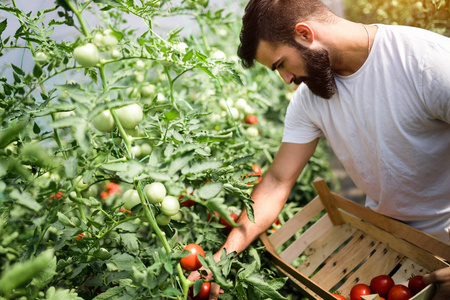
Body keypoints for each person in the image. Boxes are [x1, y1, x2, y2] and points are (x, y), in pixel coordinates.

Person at [188, 0, 450, 299]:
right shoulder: (310, 99)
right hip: (387, 243)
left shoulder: (426, 63)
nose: (286, 79)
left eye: (281, 64)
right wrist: (221, 259)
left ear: (304, 34)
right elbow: (277, 181)